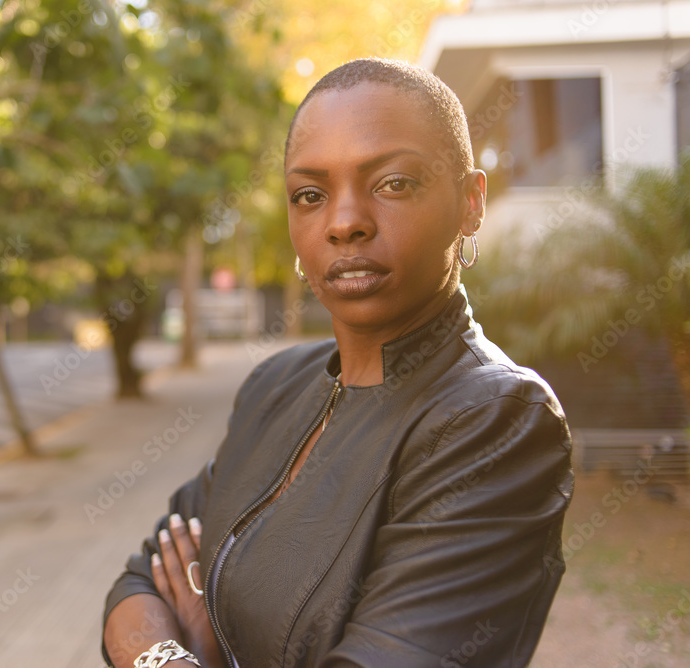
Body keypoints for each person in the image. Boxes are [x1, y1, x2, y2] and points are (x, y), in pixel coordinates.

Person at [101, 58, 574, 668]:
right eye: (311, 195)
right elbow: (140, 582)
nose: (345, 222)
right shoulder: (276, 384)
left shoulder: (495, 421)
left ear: (470, 203)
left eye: (393, 183)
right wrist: (176, 658)